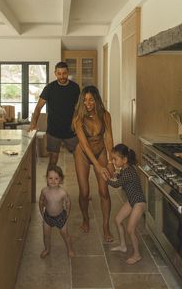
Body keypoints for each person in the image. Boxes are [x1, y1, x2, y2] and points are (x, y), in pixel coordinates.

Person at [72, 85, 114, 242]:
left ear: (96, 100)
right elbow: (84, 145)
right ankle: (85, 218)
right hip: (83, 154)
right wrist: (98, 166)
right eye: (84, 100)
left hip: (101, 151)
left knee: (104, 191)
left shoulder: (105, 115)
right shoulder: (78, 118)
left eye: (90, 100)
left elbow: (109, 138)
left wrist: (110, 161)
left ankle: (105, 226)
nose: (87, 103)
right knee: (84, 192)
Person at [29, 61, 80, 168]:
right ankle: (50, 184)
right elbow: (38, 107)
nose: (62, 76)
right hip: (53, 131)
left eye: (64, 73)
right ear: (55, 73)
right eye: (59, 74)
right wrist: (33, 124)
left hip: (71, 131)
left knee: (79, 158)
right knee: (53, 160)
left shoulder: (75, 87)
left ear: (68, 72)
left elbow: (78, 108)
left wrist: (76, 123)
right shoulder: (49, 88)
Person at [106, 143, 146, 265]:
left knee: (130, 229)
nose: (113, 161)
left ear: (124, 160)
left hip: (139, 202)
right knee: (118, 220)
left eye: (115, 159)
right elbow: (119, 176)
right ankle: (123, 246)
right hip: (131, 200)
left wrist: (106, 178)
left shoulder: (129, 173)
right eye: (112, 159)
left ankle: (137, 254)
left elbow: (116, 184)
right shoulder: (126, 169)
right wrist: (115, 174)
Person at [39, 165, 75, 258]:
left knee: (65, 234)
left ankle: (70, 249)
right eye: (50, 178)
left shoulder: (63, 192)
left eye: (56, 178)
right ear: (46, 178)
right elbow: (41, 201)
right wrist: (41, 211)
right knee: (46, 235)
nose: (53, 181)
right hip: (48, 217)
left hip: (60, 216)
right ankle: (47, 249)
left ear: (61, 179)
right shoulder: (44, 191)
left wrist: (67, 213)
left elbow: (68, 202)